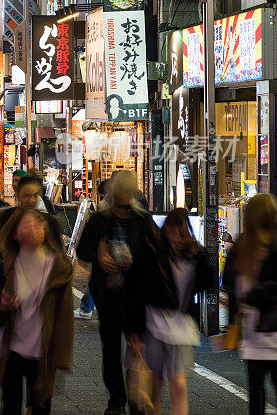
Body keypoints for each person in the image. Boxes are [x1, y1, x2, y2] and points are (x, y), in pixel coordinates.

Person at [76, 170, 155, 415]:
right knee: (111, 347)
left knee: (136, 345)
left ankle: (135, 395)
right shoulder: (100, 220)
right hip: (108, 293)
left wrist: (137, 262)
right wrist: (98, 256)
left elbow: (152, 256)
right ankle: (117, 399)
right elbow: (82, 251)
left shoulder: (142, 220)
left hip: (136, 294)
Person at [126, 208, 214, 415]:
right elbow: (134, 293)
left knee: (178, 384)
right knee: (153, 385)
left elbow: (205, 282)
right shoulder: (151, 255)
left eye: (181, 231)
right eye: (172, 230)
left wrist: (200, 256)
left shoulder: (193, 256)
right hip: (153, 324)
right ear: (165, 230)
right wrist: (133, 331)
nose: (176, 235)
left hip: (181, 327)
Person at [0, 208, 73, 414]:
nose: (34, 228)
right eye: (27, 224)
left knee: (41, 406)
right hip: (12, 349)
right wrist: (1, 306)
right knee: (11, 406)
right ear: (14, 233)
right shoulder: (4, 266)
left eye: (38, 223)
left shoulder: (59, 267)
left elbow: (65, 316)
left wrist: (61, 356)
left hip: (43, 351)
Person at [222, 194, 277, 415]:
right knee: (258, 389)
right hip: (265, 330)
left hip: (256, 331)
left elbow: (230, 285)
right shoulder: (267, 247)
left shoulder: (240, 248)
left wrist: (243, 305)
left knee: (256, 391)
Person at [75, 178, 111, 320]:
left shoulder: (103, 209)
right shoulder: (136, 213)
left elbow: (82, 249)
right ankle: (86, 307)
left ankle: (86, 308)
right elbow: (83, 249)